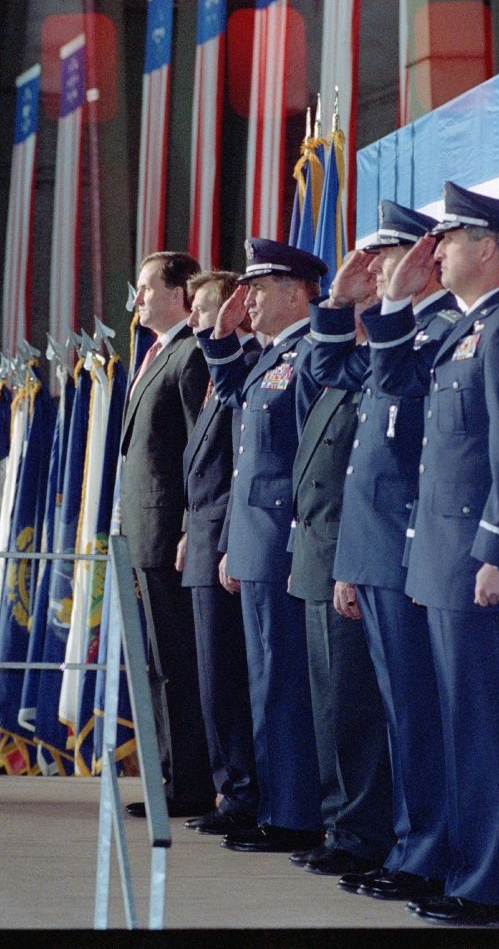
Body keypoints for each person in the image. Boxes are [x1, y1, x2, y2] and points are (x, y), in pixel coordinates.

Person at [361, 181, 499, 926]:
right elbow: (395, 387)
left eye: (449, 239)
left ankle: (491, 886)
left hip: (480, 564)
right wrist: (392, 303)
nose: (434, 250)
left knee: (485, 729)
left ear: (486, 247)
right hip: (444, 560)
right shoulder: (465, 328)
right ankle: (463, 870)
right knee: (453, 725)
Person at [306, 201, 462, 903]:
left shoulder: (436, 332)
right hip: (373, 550)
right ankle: (404, 845)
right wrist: (338, 304)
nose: (373, 270)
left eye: (384, 258)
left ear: (423, 262)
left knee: (412, 716)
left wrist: (385, 308)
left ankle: (418, 850)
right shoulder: (396, 336)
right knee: (390, 712)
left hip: (406, 549)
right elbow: (329, 372)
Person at [195, 237, 326, 854]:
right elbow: (237, 399)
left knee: (285, 683)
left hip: (282, 543)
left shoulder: (308, 355)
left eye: (262, 288)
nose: (248, 299)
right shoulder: (272, 357)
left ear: (298, 292)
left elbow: (309, 459)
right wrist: (218, 339)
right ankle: (276, 804)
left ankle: (295, 813)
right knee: (264, 682)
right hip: (253, 543)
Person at [285, 276, 394, 879]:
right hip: (320, 549)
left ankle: (359, 830)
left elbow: (362, 474)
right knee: (329, 706)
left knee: (353, 709)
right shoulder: (346, 369)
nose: (366, 301)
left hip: (348, 552)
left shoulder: (387, 363)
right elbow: (319, 367)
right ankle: (340, 824)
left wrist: (346, 560)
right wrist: (335, 305)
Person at [117, 251, 216, 822]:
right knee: (156, 662)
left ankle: (191, 784)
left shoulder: (192, 353)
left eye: (148, 288)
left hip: (171, 535)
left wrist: (185, 527)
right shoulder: (154, 353)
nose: (138, 300)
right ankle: (169, 776)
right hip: (143, 533)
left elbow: (196, 454)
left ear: (180, 293)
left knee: (178, 661)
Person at [178, 269, 263, 836]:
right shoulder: (218, 374)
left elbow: (240, 470)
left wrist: (227, 539)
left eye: (204, 309)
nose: (194, 321)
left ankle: (243, 793)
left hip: (228, 538)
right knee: (213, 680)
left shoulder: (253, 366)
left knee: (229, 680)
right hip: (204, 534)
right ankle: (229, 788)